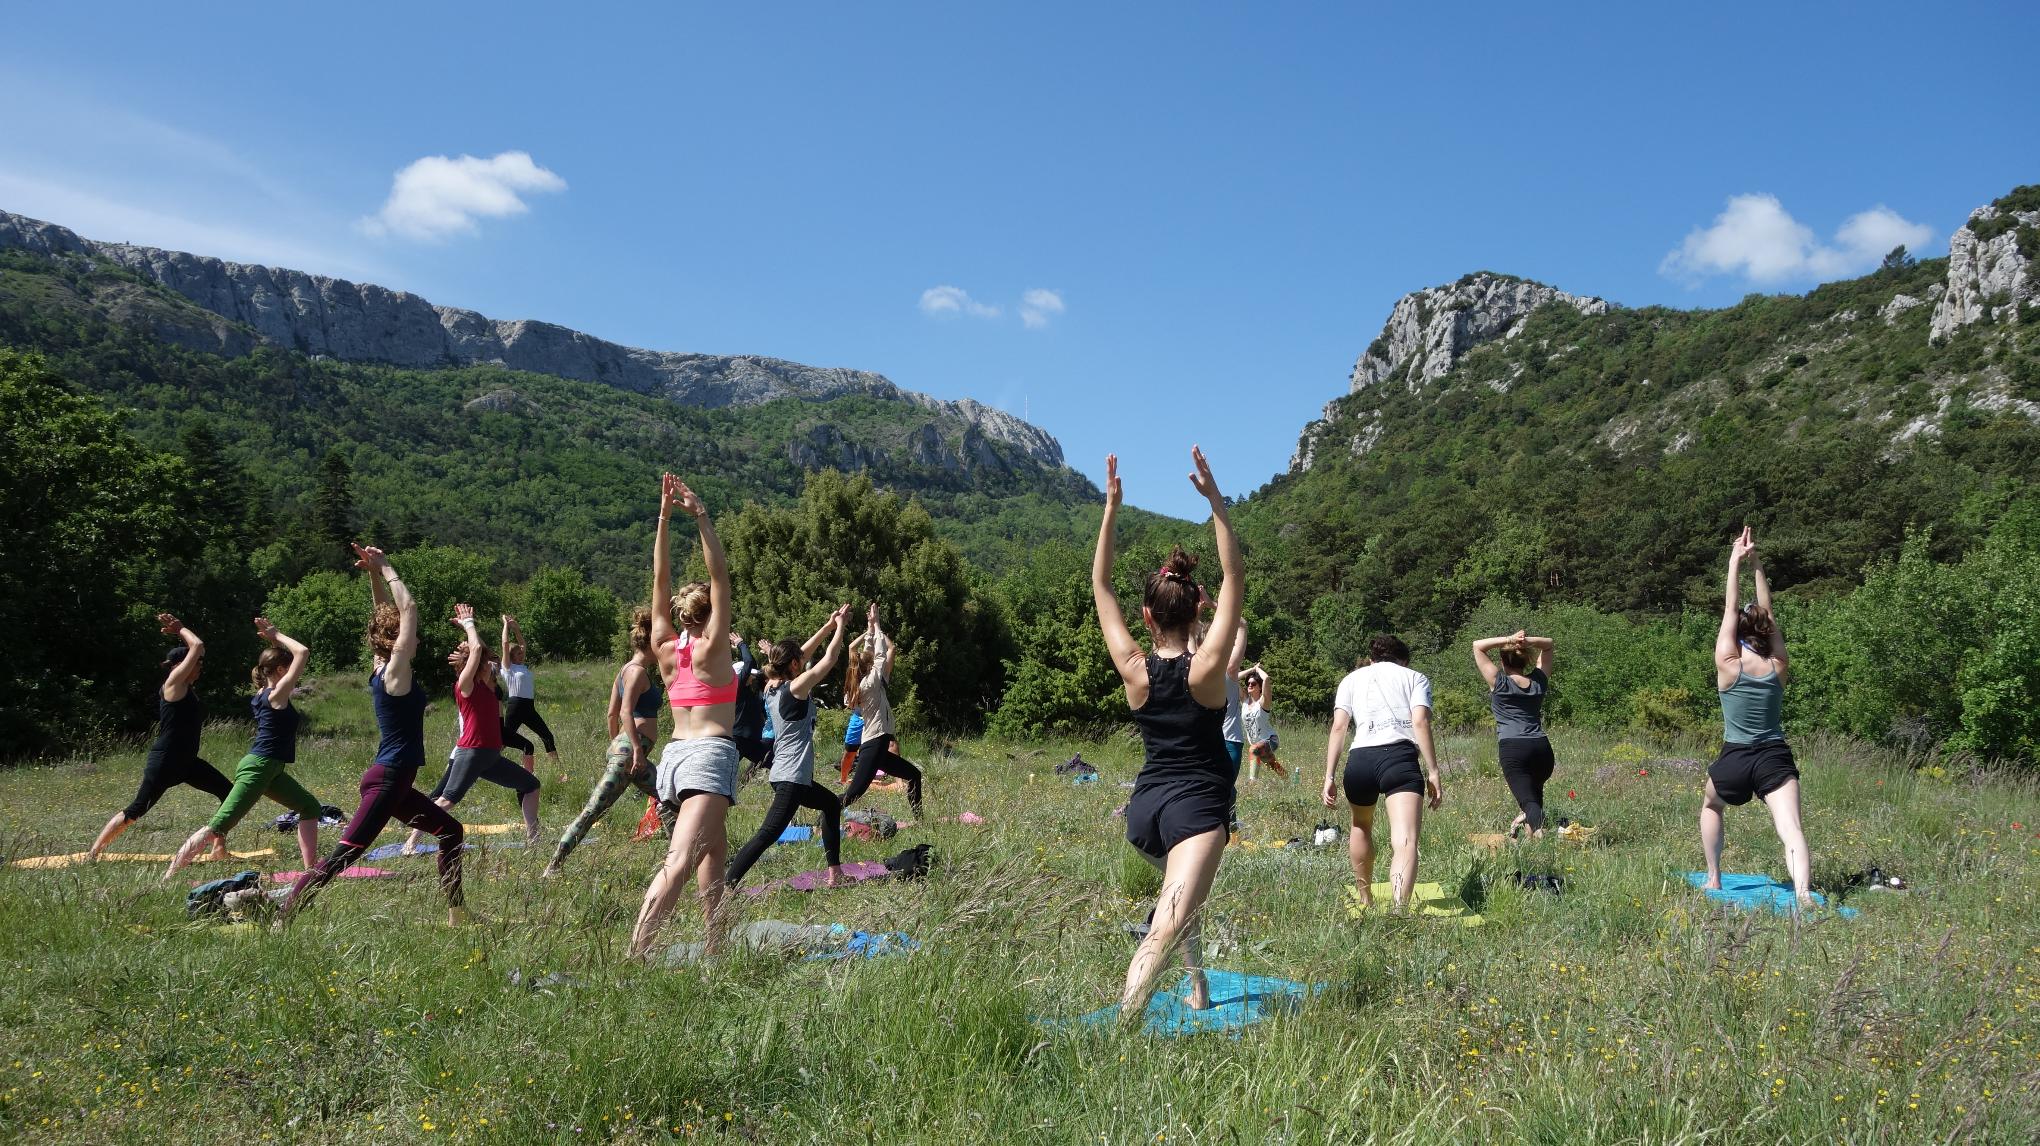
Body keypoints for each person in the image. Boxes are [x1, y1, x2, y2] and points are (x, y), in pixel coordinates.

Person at [1094, 447, 1243, 1015]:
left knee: (1186, 901)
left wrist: (1111, 509)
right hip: (1196, 809)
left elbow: (1101, 587)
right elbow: (1234, 575)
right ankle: (1124, 1025)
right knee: (1167, 919)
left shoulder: (1135, 670)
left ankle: (1198, 989)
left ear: (1149, 616)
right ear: (1196, 607)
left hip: (1145, 812)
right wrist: (1215, 503)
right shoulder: (1206, 670)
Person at [280, 545, 466, 926]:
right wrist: (385, 567)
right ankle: (283, 916)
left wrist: (371, 576)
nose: (417, 640)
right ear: (399, 641)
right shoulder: (396, 673)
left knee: (451, 830)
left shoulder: (382, 667)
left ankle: (458, 913)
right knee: (344, 854)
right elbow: (407, 610)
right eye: (409, 636)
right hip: (388, 779)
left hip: (393, 779)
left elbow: (383, 617)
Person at [627, 473, 741, 959]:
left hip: (673, 760)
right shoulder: (715, 649)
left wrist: (663, 519)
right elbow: (721, 577)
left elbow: (660, 581)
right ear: (709, 613)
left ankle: (715, 949)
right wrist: (700, 515)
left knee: (713, 852)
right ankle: (636, 955)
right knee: (679, 860)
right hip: (707, 757)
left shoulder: (665, 649)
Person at [163, 617, 331, 879]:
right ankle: (169, 876)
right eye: (288, 668)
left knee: (309, 806)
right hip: (260, 767)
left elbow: (294, 658)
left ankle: (310, 869)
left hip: (270, 768)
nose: (295, 674)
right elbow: (303, 652)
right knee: (218, 826)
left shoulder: (264, 693)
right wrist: (277, 636)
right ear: (278, 671)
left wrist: (274, 642)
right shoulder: (276, 695)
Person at [1702, 527, 1812, 907]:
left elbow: (1730, 610)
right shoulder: (1778, 665)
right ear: (1766, 629)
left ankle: (1714, 879)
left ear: (1738, 633)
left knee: (1712, 805)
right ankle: (1803, 894)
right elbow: (1768, 613)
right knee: (1791, 828)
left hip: (1735, 757)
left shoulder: (1728, 663)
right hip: (1774, 757)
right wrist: (1757, 564)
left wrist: (1734, 561)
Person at [724, 605, 853, 888]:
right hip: (791, 776)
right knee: (768, 833)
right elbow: (828, 659)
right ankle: (727, 884)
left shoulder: (771, 685)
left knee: (831, 805)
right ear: (793, 665)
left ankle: (836, 875)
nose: (802, 661)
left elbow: (802, 654)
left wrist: (828, 626)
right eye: (798, 660)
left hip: (792, 774)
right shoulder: (796, 688)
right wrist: (841, 627)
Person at [91, 614, 234, 861]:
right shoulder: (174, 684)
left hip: (187, 761)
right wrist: (180, 629)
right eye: (197, 663)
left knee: (229, 794)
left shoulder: (186, 689)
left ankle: (218, 850)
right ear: (182, 665)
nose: (200, 667)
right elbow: (197, 645)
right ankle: (94, 853)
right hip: (166, 761)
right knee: (137, 809)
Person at [543, 607, 674, 875]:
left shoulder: (624, 670)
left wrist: (618, 744)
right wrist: (634, 749)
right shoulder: (637, 672)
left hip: (626, 751)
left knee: (668, 798)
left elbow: (611, 714)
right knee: (593, 809)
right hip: (631, 753)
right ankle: (553, 865)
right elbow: (625, 711)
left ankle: (681, 858)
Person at [402, 604, 542, 852]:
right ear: (475, 667)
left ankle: (534, 839)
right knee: (446, 799)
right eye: (485, 663)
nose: (491, 665)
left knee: (531, 785)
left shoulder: (488, 686)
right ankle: (411, 842)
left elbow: (484, 651)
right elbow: (478, 650)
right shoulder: (465, 686)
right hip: (472, 753)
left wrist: (473, 639)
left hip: (490, 756)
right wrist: (468, 625)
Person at [1321, 635, 1442, 910]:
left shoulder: (1351, 679)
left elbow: (1339, 727)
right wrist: (1433, 771)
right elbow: (1420, 721)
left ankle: (1366, 900)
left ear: (1373, 658)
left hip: (1360, 759)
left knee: (1360, 826)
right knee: (1405, 840)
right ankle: (1399, 909)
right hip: (1399, 758)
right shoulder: (1415, 678)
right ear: (1404, 660)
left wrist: (1329, 776)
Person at [839, 604, 924, 817]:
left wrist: (870, 630)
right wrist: (876, 626)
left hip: (878, 742)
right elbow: (880, 655)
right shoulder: (870, 683)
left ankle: (920, 819)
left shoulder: (861, 682)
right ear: (867, 668)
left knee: (913, 775)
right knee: (854, 793)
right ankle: (823, 815)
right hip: (874, 744)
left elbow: (870, 655)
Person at [1472, 629, 1556, 837]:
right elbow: (1549, 644)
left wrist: (1510, 639)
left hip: (1514, 748)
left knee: (1529, 803)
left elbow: (1478, 645)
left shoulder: (1500, 683)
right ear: (1526, 660)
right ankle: (1534, 846)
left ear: (1502, 661)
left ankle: (1545, 836)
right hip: (1542, 747)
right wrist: (1525, 641)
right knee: (1534, 798)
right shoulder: (1538, 681)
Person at [497, 615, 560, 779]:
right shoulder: (508, 668)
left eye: (521, 652)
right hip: (515, 707)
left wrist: (516, 628)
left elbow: (523, 644)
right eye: (517, 653)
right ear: (510, 656)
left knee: (547, 736)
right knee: (503, 741)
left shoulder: (522, 667)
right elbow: (504, 644)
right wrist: (505, 625)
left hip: (528, 707)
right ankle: (482, 764)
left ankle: (559, 772)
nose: (521, 653)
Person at [730, 632, 771, 782]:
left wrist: (770, 653)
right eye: (750, 675)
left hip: (750, 740)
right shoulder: (736, 687)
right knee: (723, 772)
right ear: (742, 675)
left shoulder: (748, 690)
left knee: (772, 762)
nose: (753, 677)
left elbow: (765, 674)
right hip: (738, 738)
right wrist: (741, 643)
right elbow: (749, 663)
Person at [1239, 665, 1287, 781]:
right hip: (1256, 743)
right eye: (1248, 683)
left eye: (1254, 683)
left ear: (1260, 687)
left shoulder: (1264, 702)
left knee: (1253, 750)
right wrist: (1251, 670)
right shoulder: (1244, 701)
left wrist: (1257, 669)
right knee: (1273, 765)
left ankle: (1252, 783)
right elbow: (1233, 677)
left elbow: (1266, 679)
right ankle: (1289, 780)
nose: (1250, 685)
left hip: (1270, 740)